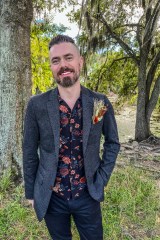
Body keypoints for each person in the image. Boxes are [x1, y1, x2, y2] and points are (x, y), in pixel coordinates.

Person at [23, 35, 120, 240]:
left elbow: (113, 143)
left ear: (80, 61)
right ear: (51, 66)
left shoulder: (99, 102)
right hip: (51, 196)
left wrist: (101, 179)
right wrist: (31, 193)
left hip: (88, 193)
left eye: (68, 57)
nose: (63, 65)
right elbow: (29, 151)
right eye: (56, 60)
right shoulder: (36, 105)